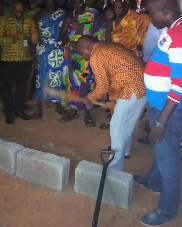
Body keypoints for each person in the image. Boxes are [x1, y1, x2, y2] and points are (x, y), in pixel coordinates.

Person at [134, 0, 182, 226]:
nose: (149, 17)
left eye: (150, 12)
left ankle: (168, 209)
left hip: (169, 108)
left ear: (165, 10)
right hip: (161, 104)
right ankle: (154, 181)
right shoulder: (172, 29)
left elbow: (179, 85)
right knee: (161, 148)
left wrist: (161, 122)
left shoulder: (181, 36)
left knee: (168, 156)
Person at [45, 35, 146, 171]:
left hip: (134, 87)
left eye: (81, 53)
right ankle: (125, 150)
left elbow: (102, 87)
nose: (82, 57)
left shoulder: (96, 55)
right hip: (143, 82)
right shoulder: (108, 46)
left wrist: (90, 97)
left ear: (87, 48)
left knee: (117, 127)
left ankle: (114, 168)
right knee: (127, 120)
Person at [59, 0, 106, 127]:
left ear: (84, 1)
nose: (77, 5)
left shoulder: (93, 15)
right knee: (72, 84)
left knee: (87, 84)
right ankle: (73, 111)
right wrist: (70, 44)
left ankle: (87, 114)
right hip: (71, 54)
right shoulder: (70, 16)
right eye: (74, 3)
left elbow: (100, 35)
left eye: (79, 2)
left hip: (87, 55)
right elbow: (61, 35)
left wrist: (89, 48)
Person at [0, 0, 38, 124]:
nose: (20, 14)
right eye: (17, 12)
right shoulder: (4, 20)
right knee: (7, 88)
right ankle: (9, 113)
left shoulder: (29, 20)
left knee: (22, 87)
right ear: (12, 9)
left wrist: (35, 37)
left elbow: (34, 38)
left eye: (22, 12)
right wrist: (11, 39)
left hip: (25, 59)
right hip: (8, 60)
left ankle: (19, 110)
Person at [32, 0, 65, 119]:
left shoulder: (62, 14)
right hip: (43, 52)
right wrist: (34, 56)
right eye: (48, 5)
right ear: (44, 5)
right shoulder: (38, 16)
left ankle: (59, 105)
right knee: (41, 79)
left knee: (59, 79)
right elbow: (34, 38)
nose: (51, 8)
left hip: (58, 52)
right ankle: (39, 107)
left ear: (57, 4)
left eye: (53, 5)